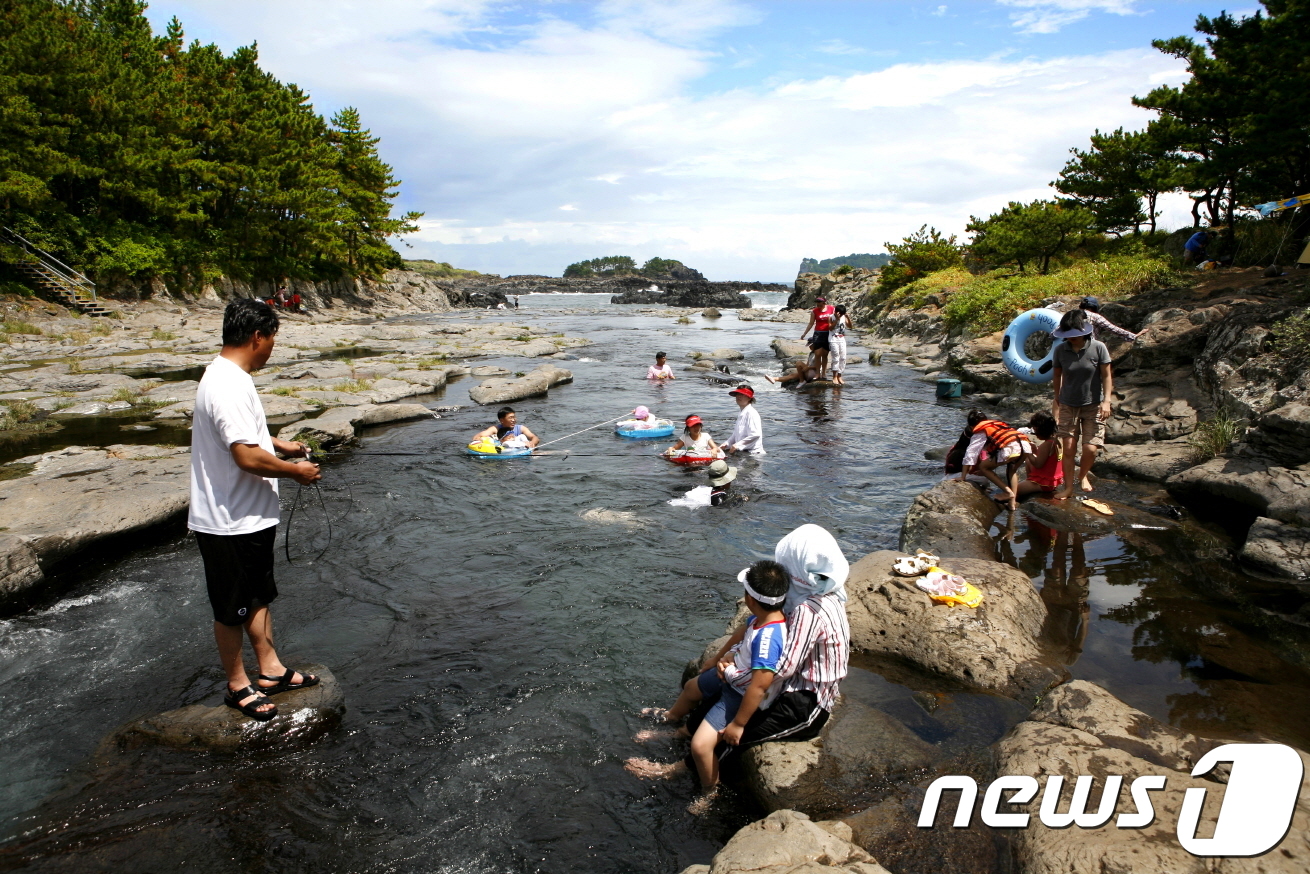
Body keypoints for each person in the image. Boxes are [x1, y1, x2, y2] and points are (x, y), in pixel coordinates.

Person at [626, 525, 850, 793]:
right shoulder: (822, 590)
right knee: (714, 694)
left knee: (735, 736)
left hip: (804, 699)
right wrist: (731, 656)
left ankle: (686, 773)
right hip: (776, 681)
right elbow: (758, 633)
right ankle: (682, 732)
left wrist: (732, 673)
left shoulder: (807, 609)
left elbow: (781, 669)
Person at [189, 298, 323, 722]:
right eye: (272, 342)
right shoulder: (227, 384)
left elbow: (247, 436)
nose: (271, 350)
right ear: (257, 336)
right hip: (227, 519)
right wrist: (294, 471)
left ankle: (271, 670)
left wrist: (279, 444)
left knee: (258, 596)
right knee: (231, 608)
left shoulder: (230, 376)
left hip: (249, 516)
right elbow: (245, 456)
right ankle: (237, 684)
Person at [628, 561, 788, 805]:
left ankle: (709, 790)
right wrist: (715, 659)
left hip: (739, 691)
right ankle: (671, 719)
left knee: (701, 746)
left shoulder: (769, 639)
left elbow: (759, 686)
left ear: (751, 599)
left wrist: (738, 724)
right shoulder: (760, 618)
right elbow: (738, 635)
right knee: (692, 687)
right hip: (732, 671)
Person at [1050, 309, 1113, 501]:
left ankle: (1083, 475)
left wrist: (1107, 401)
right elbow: (1057, 375)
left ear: (1083, 331)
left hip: (1093, 404)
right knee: (1068, 448)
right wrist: (1057, 400)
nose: (1071, 339)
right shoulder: (1061, 350)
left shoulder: (1098, 347)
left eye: (1074, 336)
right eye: (1068, 336)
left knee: (1090, 448)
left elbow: (1106, 375)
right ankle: (1068, 488)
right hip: (1068, 403)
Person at [958, 410, 1031, 510]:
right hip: (1025, 445)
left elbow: (971, 452)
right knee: (1012, 470)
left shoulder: (980, 430)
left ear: (971, 426)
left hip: (1011, 448)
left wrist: (963, 476)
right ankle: (1012, 503)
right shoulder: (995, 424)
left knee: (983, 467)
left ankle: (1008, 492)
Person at [1015, 410, 1063, 498]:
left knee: (1014, 489)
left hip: (1044, 484)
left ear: (1040, 430)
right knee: (1028, 461)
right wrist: (1035, 451)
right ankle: (1029, 482)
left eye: (1035, 429)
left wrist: (1028, 452)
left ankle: (1028, 488)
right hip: (1052, 481)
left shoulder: (1046, 445)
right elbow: (1048, 458)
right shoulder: (1056, 441)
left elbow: (1038, 464)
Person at [799, 296, 836, 379]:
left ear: (824, 303)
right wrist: (804, 334)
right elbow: (811, 323)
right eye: (817, 303)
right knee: (818, 354)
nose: (818, 305)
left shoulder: (831, 308)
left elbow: (837, 317)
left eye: (820, 303)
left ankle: (824, 373)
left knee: (825, 355)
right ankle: (817, 373)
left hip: (828, 333)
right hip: (818, 333)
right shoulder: (814, 311)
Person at [474, 406, 540, 450]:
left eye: (514, 417)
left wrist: (532, 443)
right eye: (510, 418)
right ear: (501, 420)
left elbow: (534, 437)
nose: (513, 420)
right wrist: (479, 439)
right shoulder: (495, 429)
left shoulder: (521, 428)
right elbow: (478, 436)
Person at [724, 385, 765, 455]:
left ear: (749, 398)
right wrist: (726, 444)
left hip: (754, 454)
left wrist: (738, 445)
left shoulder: (751, 413)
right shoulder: (742, 412)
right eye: (738, 394)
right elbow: (735, 435)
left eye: (742, 394)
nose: (739, 396)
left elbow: (755, 434)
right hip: (744, 452)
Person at [829, 305, 853, 385]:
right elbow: (830, 328)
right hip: (833, 339)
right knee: (836, 357)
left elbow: (850, 327)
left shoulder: (844, 317)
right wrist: (836, 319)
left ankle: (839, 375)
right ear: (836, 312)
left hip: (842, 339)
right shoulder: (830, 317)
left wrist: (847, 318)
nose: (841, 315)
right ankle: (834, 376)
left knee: (843, 357)